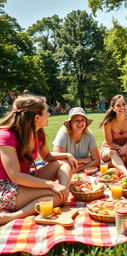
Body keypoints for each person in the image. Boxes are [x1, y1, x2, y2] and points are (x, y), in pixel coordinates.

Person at [0, 95, 77, 225]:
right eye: (47, 111)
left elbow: (47, 157)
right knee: (55, 195)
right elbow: (15, 176)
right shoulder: (6, 136)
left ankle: (63, 193)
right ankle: (12, 216)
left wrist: (67, 155)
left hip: (26, 178)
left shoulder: (38, 133)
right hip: (6, 186)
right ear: (37, 117)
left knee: (64, 163)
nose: (49, 114)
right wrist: (51, 184)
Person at [100, 95, 127, 176]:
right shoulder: (108, 123)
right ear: (113, 108)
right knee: (113, 153)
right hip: (109, 149)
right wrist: (121, 148)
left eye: (124, 104)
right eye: (118, 105)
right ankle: (126, 172)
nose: (122, 107)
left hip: (126, 148)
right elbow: (109, 143)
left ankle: (105, 166)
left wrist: (126, 147)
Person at [53, 107, 100, 171]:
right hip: (62, 170)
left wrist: (78, 169)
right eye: (77, 120)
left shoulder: (89, 134)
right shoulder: (63, 133)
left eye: (83, 119)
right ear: (70, 123)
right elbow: (61, 162)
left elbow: (97, 161)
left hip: (74, 170)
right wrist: (85, 160)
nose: (80, 123)